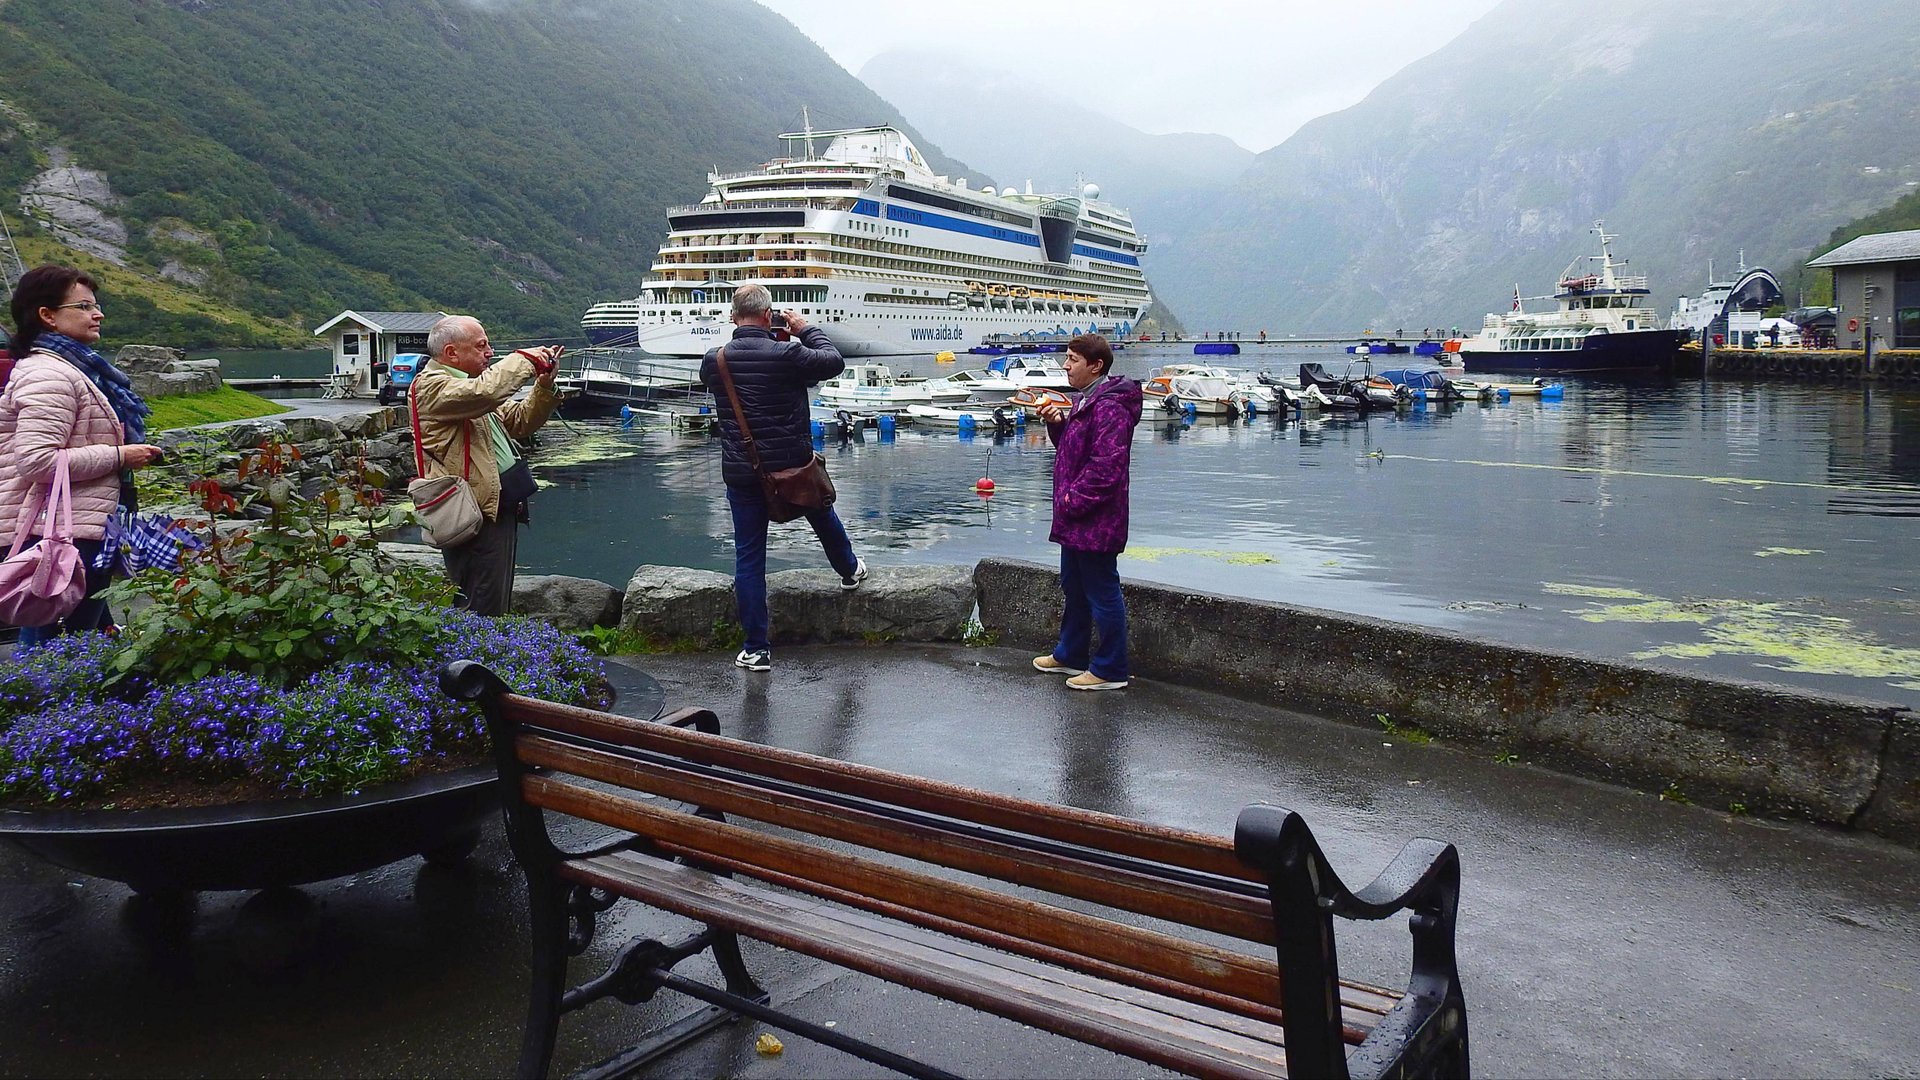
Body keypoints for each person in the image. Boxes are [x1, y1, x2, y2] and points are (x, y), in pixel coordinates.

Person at [701, 284, 867, 672]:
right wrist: (804, 329)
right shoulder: (788, 353)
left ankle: (757, 648)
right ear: (767, 315)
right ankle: (849, 570)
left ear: (731, 317)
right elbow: (833, 361)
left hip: (744, 472)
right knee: (821, 513)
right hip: (793, 466)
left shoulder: (715, 360)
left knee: (748, 556)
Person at [0, 265, 165, 648]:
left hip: (79, 526)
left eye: (97, 305)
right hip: (60, 533)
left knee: (71, 633)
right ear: (48, 315)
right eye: (85, 305)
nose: (98, 313)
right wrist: (120, 456)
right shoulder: (50, 376)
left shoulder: (72, 370)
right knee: (58, 644)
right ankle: (43, 706)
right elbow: (37, 461)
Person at [410, 315, 561, 616]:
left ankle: (486, 657)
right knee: (479, 605)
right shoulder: (432, 388)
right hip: (471, 513)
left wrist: (544, 386)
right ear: (451, 353)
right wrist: (526, 359)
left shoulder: (466, 388)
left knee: (493, 599)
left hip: (495, 506)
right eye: (481, 346)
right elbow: (487, 391)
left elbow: (519, 422)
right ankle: (474, 660)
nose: (489, 352)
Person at [1032, 333, 1141, 691]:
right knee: (1074, 587)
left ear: (1096, 366)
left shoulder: (1110, 407)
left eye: (1073, 360)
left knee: (1102, 591)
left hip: (1095, 519)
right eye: (1066, 358)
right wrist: (1056, 422)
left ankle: (1110, 668)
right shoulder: (1085, 401)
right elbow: (1070, 448)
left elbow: (1106, 468)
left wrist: (1068, 501)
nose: (1066, 366)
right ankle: (1071, 653)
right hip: (1076, 519)